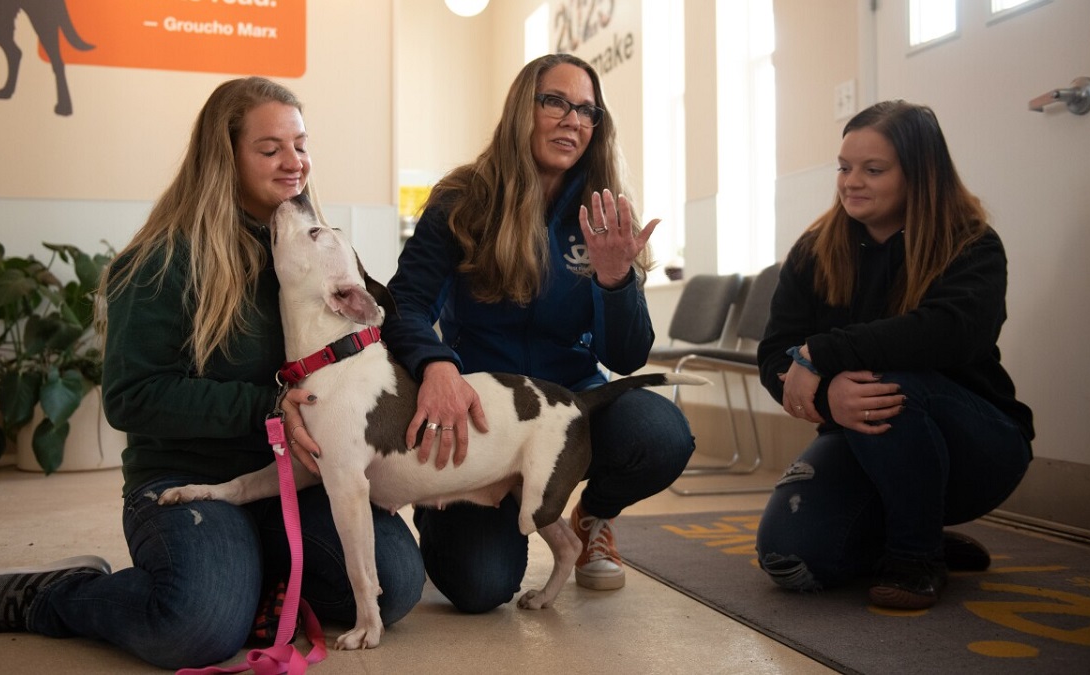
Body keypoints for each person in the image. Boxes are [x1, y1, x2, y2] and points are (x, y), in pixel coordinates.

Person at [0, 77, 425, 669]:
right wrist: (267, 408)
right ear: (224, 157)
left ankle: (253, 580)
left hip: (291, 478)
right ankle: (56, 598)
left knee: (395, 585)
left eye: (300, 144)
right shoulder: (157, 263)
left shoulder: (309, 249)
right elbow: (131, 397)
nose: (294, 162)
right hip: (188, 474)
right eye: (270, 149)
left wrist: (438, 376)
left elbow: (370, 333)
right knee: (193, 630)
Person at [382, 53, 696, 613]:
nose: (572, 120)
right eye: (555, 101)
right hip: (485, 417)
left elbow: (626, 358)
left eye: (587, 110)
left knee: (661, 433)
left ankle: (593, 513)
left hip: (571, 405)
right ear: (521, 110)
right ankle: (475, 509)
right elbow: (404, 302)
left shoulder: (601, 213)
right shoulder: (461, 200)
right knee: (480, 588)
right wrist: (436, 365)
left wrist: (616, 279)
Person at [754, 100, 1034, 610]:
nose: (850, 181)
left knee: (886, 380)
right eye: (844, 167)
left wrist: (823, 354)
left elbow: (950, 334)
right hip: (864, 434)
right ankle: (901, 532)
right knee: (789, 561)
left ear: (919, 175)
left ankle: (916, 555)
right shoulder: (815, 249)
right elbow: (775, 352)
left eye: (873, 169)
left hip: (979, 446)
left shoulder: (971, 243)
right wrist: (826, 397)